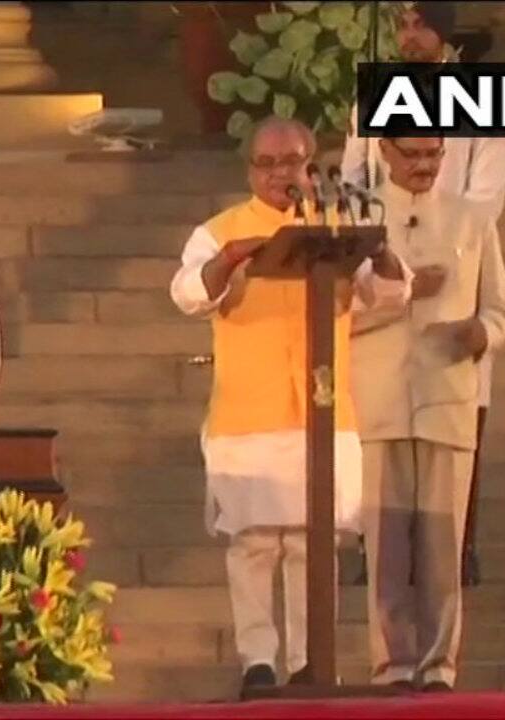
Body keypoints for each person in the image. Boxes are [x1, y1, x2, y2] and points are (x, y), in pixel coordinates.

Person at [169, 117, 410, 695]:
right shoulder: (219, 230)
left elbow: (393, 293)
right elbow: (188, 294)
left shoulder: (334, 225)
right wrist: (231, 259)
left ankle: (310, 660)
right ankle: (258, 660)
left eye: (292, 162)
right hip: (247, 413)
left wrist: (379, 244)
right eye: (268, 164)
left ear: (313, 166)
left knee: (313, 542)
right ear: (250, 169)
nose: (281, 174)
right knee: (254, 544)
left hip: (323, 411)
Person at [340, 0, 505, 585]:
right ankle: (374, 548)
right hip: (385, 285)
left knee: (455, 416)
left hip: (456, 270)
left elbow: (485, 197)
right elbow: (353, 187)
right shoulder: (376, 94)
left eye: (423, 26)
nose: (411, 38)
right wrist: (396, 258)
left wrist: (440, 243)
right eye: (403, 26)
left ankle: (457, 549)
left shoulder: (478, 95)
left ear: (445, 33)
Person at [350, 135, 505, 691]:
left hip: (447, 400)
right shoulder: (358, 220)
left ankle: (439, 665)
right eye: (412, 155)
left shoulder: (471, 221)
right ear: (384, 154)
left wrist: (479, 333)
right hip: (378, 398)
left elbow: (502, 312)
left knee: (442, 546)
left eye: (433, 156)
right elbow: (333, 316)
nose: (423, 166)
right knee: (387, 544)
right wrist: (404, 293)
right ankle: (392, 665)